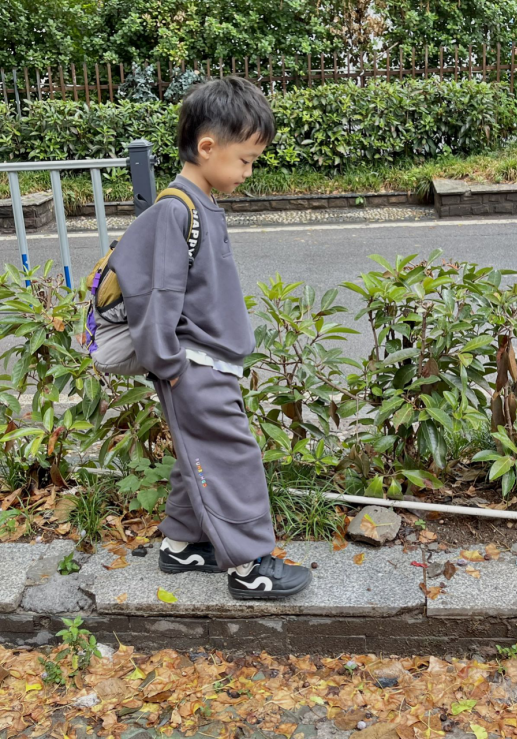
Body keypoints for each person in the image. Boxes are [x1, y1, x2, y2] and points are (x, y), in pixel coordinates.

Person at [110, 76, 312, 599]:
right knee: (231, 457)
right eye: (245, 160)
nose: (248, 171)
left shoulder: (198, 206)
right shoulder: (175, 211)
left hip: (209, 361)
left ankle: (182, 546)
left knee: (196, 454)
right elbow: (155, 297)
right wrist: (170, 366)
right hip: (193, 365)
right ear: (207, 147)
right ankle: (251, 568)